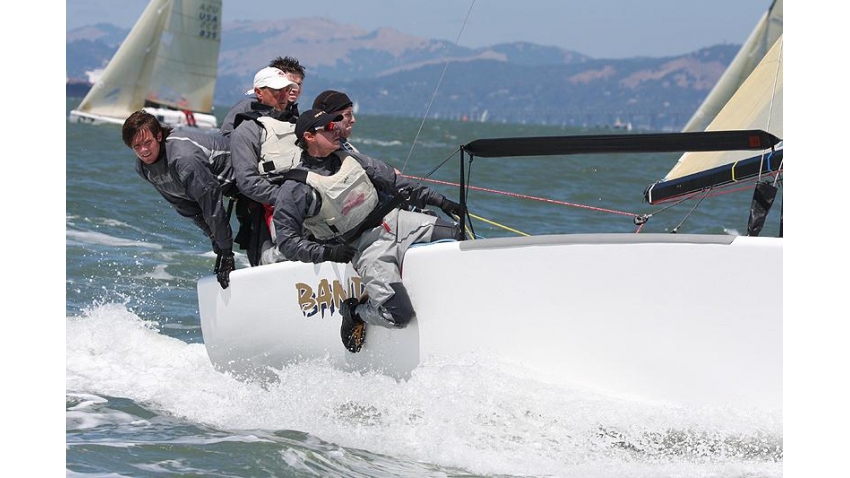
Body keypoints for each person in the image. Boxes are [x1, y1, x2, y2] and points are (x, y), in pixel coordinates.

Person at [269, 109, 466, 353]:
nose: (337, 129)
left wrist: (442, 202)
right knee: (399, 315)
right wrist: (330, 253)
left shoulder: (352, 159)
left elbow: (396, 183)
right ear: (309, 137)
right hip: (366, 247)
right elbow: (288, 242)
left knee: (458, 235)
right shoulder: (295, 188)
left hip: (395, 221)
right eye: (329, 127)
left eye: (336, 124)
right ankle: (354, 312)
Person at [122, 110, 239, 289]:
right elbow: (182, 203)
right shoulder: (143, 168)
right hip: (219, 186)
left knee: (253, 235)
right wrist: (212, 234)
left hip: (241, 172)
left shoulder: (184, 158)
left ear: (159, 136)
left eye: (147, 142)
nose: (144, 151)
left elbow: (211, 205)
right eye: (137, 146)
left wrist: (227, 253)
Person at [228, 66, 302, 265]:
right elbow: (247, 181)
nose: (283, 95)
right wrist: (287, 199)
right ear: (259, 92)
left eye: (287, 89)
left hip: (305, 202)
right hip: (270, 208)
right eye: (277, 90)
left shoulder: (299, 124)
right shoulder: (247, 130)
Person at [220, 56, 307, 136]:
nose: (295, 89)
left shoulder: (292, 114)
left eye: (298, 84)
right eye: (285, 85)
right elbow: (226, 135)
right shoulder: (247, 105)